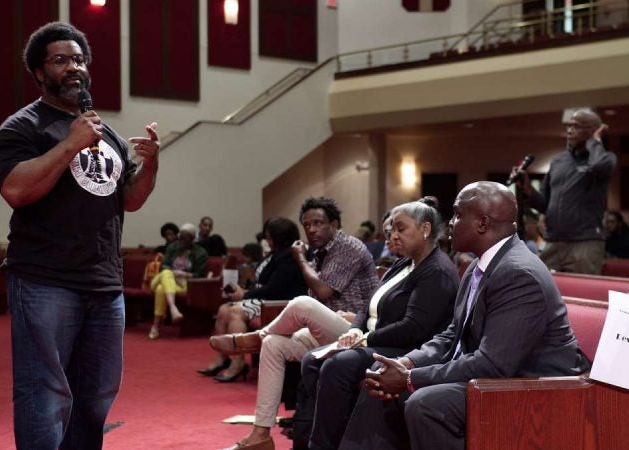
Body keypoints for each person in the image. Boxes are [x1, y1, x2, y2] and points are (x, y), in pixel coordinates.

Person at [0, 22, 160, 449]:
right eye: (60, 60)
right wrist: (70, 144)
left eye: (79, 59)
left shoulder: (108, 136)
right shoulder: (22, 127)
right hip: (45, 280)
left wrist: (152, 164)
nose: (73, 67)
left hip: (104, 283)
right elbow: (15, 189)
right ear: (38, 73)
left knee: (97, 395)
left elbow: (130, 200)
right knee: (45, 394)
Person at [338, 181, 589, 450]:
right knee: (382, 376)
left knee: (426, 403)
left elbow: (493, 365)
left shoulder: (518, 273)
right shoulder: (478, 267)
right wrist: (409, 362)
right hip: (497, 378)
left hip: (537, 389)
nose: (450, 223)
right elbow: (452, 335)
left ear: (482, 223)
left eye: (457, 215)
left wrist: (411, 378)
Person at [209, 196, 379, 450]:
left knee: (301, 304)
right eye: (307, 224)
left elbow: (322, 292)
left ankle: (256, 337)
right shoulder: (319, 252)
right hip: (330, 332)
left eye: (318, 223)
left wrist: (300, 258)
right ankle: (261, 435)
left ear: (335, 224)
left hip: (357, 331)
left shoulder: (348, 247)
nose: (311, 229)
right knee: (274, 345)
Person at [299, 199, 460, 450]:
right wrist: (354, 329)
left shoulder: (437, 270)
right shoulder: (403, 263)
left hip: (408, 348)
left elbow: (413, 328)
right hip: (377, 340)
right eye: (391, 230)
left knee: (337, 365)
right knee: (311, 361)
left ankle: (322, 445)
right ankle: (330, 436)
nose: (394, 236)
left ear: (425, 230)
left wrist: (365, 339)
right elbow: (369, 304)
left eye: (401, 229)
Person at [199, 217, 308, 382]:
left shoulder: (288, 256)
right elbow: (261, 283)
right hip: (264, 299)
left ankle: (238, 363)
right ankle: (222, 358)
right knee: (223, 309)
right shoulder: (274, 254)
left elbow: (274, 289)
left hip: (278, 302)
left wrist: (244, 295)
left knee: (235, 312)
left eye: (270, 237)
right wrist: (243, 290)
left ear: (281, 237)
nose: (267, 240)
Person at [512, 109, 616, 274]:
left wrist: (595, 141)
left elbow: (599, 166)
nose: (569, 130)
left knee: (582, 294)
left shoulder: (605, 158)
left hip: (584, 243)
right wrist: (527, 189)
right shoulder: (559, 161)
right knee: (537, 287)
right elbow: (545, 204)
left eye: (576, 126)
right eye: (569, 126)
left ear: (592, 131)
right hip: (553, 242)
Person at [148, 223, 208, 339]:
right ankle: (172, 308)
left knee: (161, 289)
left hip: (184, 283)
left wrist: (185, 274)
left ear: (192, 238)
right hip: (161, 279)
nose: (181, 241)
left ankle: (155, 327)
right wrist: (174, 274)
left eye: (185, 238)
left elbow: (200, 275)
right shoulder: (172, 247)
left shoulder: (200, 253)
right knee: (166, 273)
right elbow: (163, 267)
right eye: (180, 237)